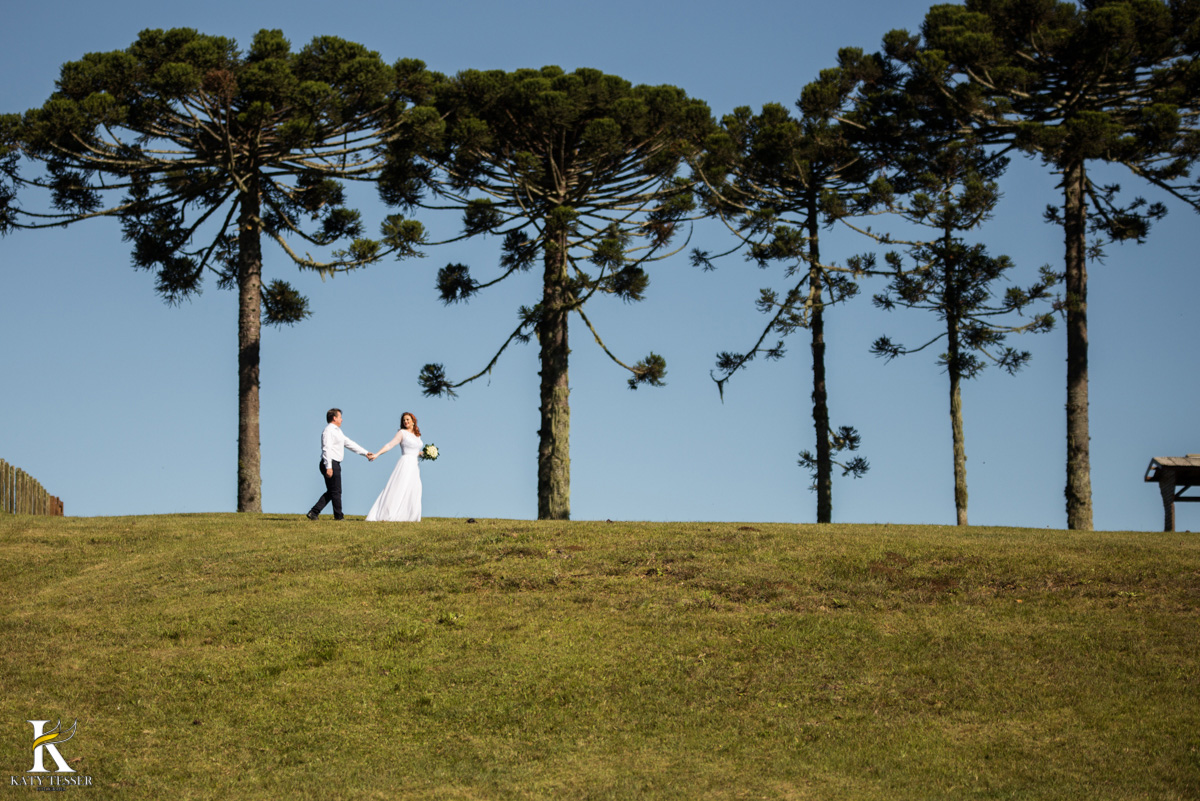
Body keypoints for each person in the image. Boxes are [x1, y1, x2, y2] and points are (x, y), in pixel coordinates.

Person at [307, 408, 372, 521]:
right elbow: (326, 449)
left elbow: (349, 443)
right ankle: (338, 517)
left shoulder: (338, 432)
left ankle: (314, 512)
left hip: (334, 463)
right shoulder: (328, 431)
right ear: (334, 418)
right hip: (330, 462)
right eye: (340, 417)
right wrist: (329, 466)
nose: (342, 420)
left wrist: (365, 453)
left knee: (333, 491)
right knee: (336, 491)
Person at [365, 411, 424, 522]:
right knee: (399, 487)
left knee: (414, 488)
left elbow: (415, 451)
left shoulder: (417, 436)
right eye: (404, 420)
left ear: (413, 421)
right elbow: (390, 445)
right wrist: (377, 454)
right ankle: (387, 513)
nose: (406, 421)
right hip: (405, 463)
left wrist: (425, 453)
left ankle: (410, 516)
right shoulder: (402, 433)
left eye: (408, 419)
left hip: (415, 465)